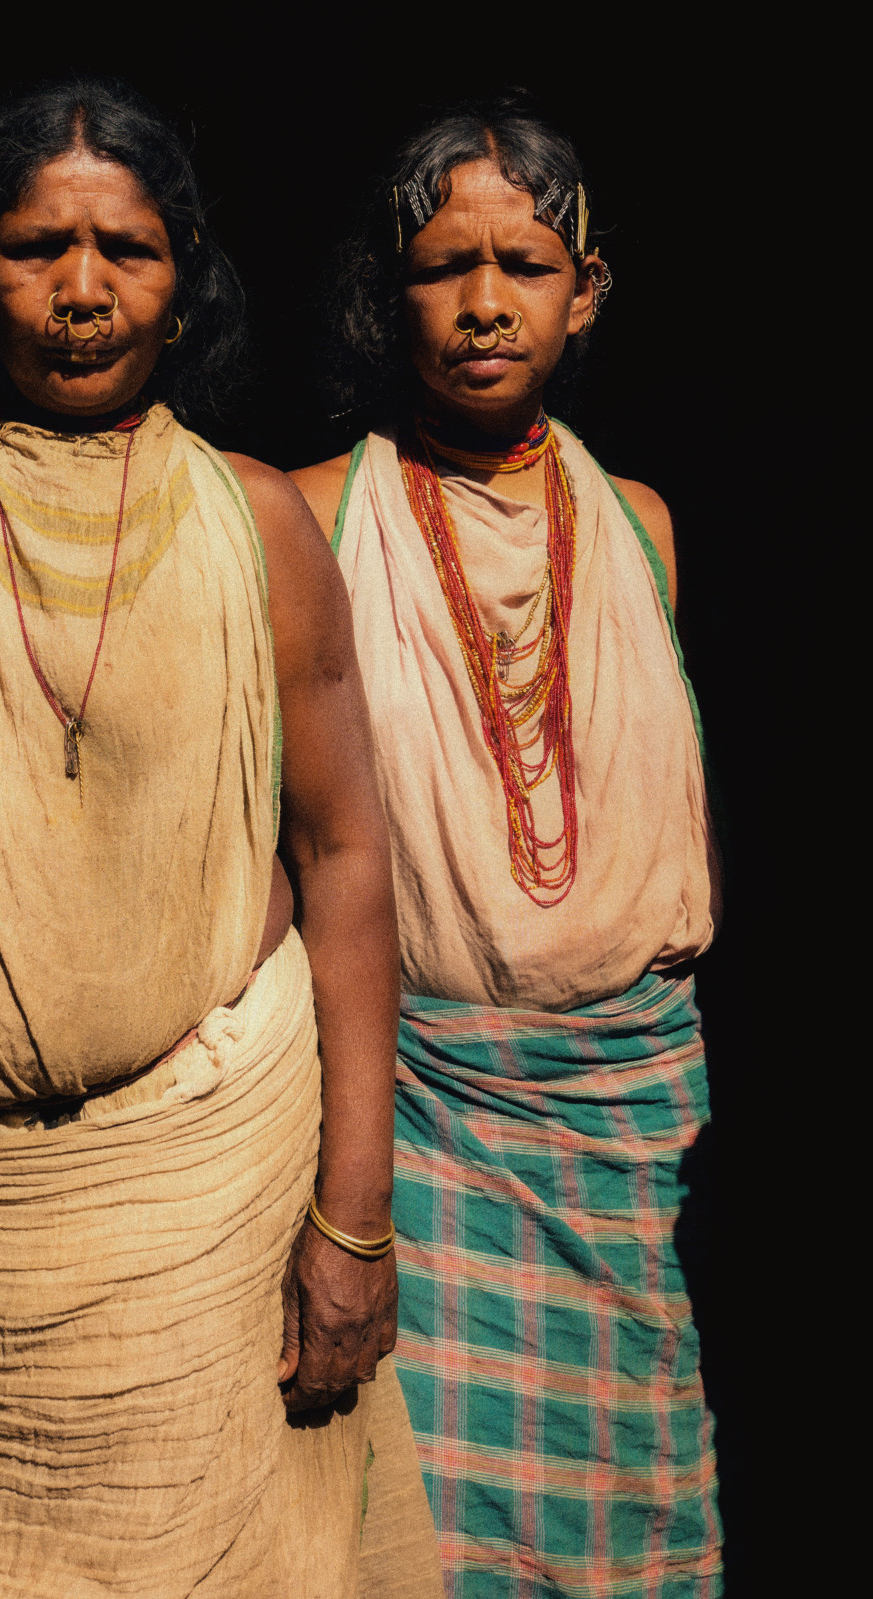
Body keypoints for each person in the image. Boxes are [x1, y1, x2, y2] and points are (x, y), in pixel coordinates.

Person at [0, 78, 440, 1599]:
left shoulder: (254, 523)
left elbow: (348, 862)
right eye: (37, 245)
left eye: (128, 248)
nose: (80, 288)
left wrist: (355, 1212)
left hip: (196, 1205)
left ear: (185, 287)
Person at [292, 96, 723, 1596]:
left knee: (633, 1534)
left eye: (526, 265)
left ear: (585, 293)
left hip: (629, 1124)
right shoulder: (309, 524)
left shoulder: (648, 532)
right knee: (417, 1546)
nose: (484, 305)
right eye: (444, 267)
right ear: (386, 290)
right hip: (410, 1123)